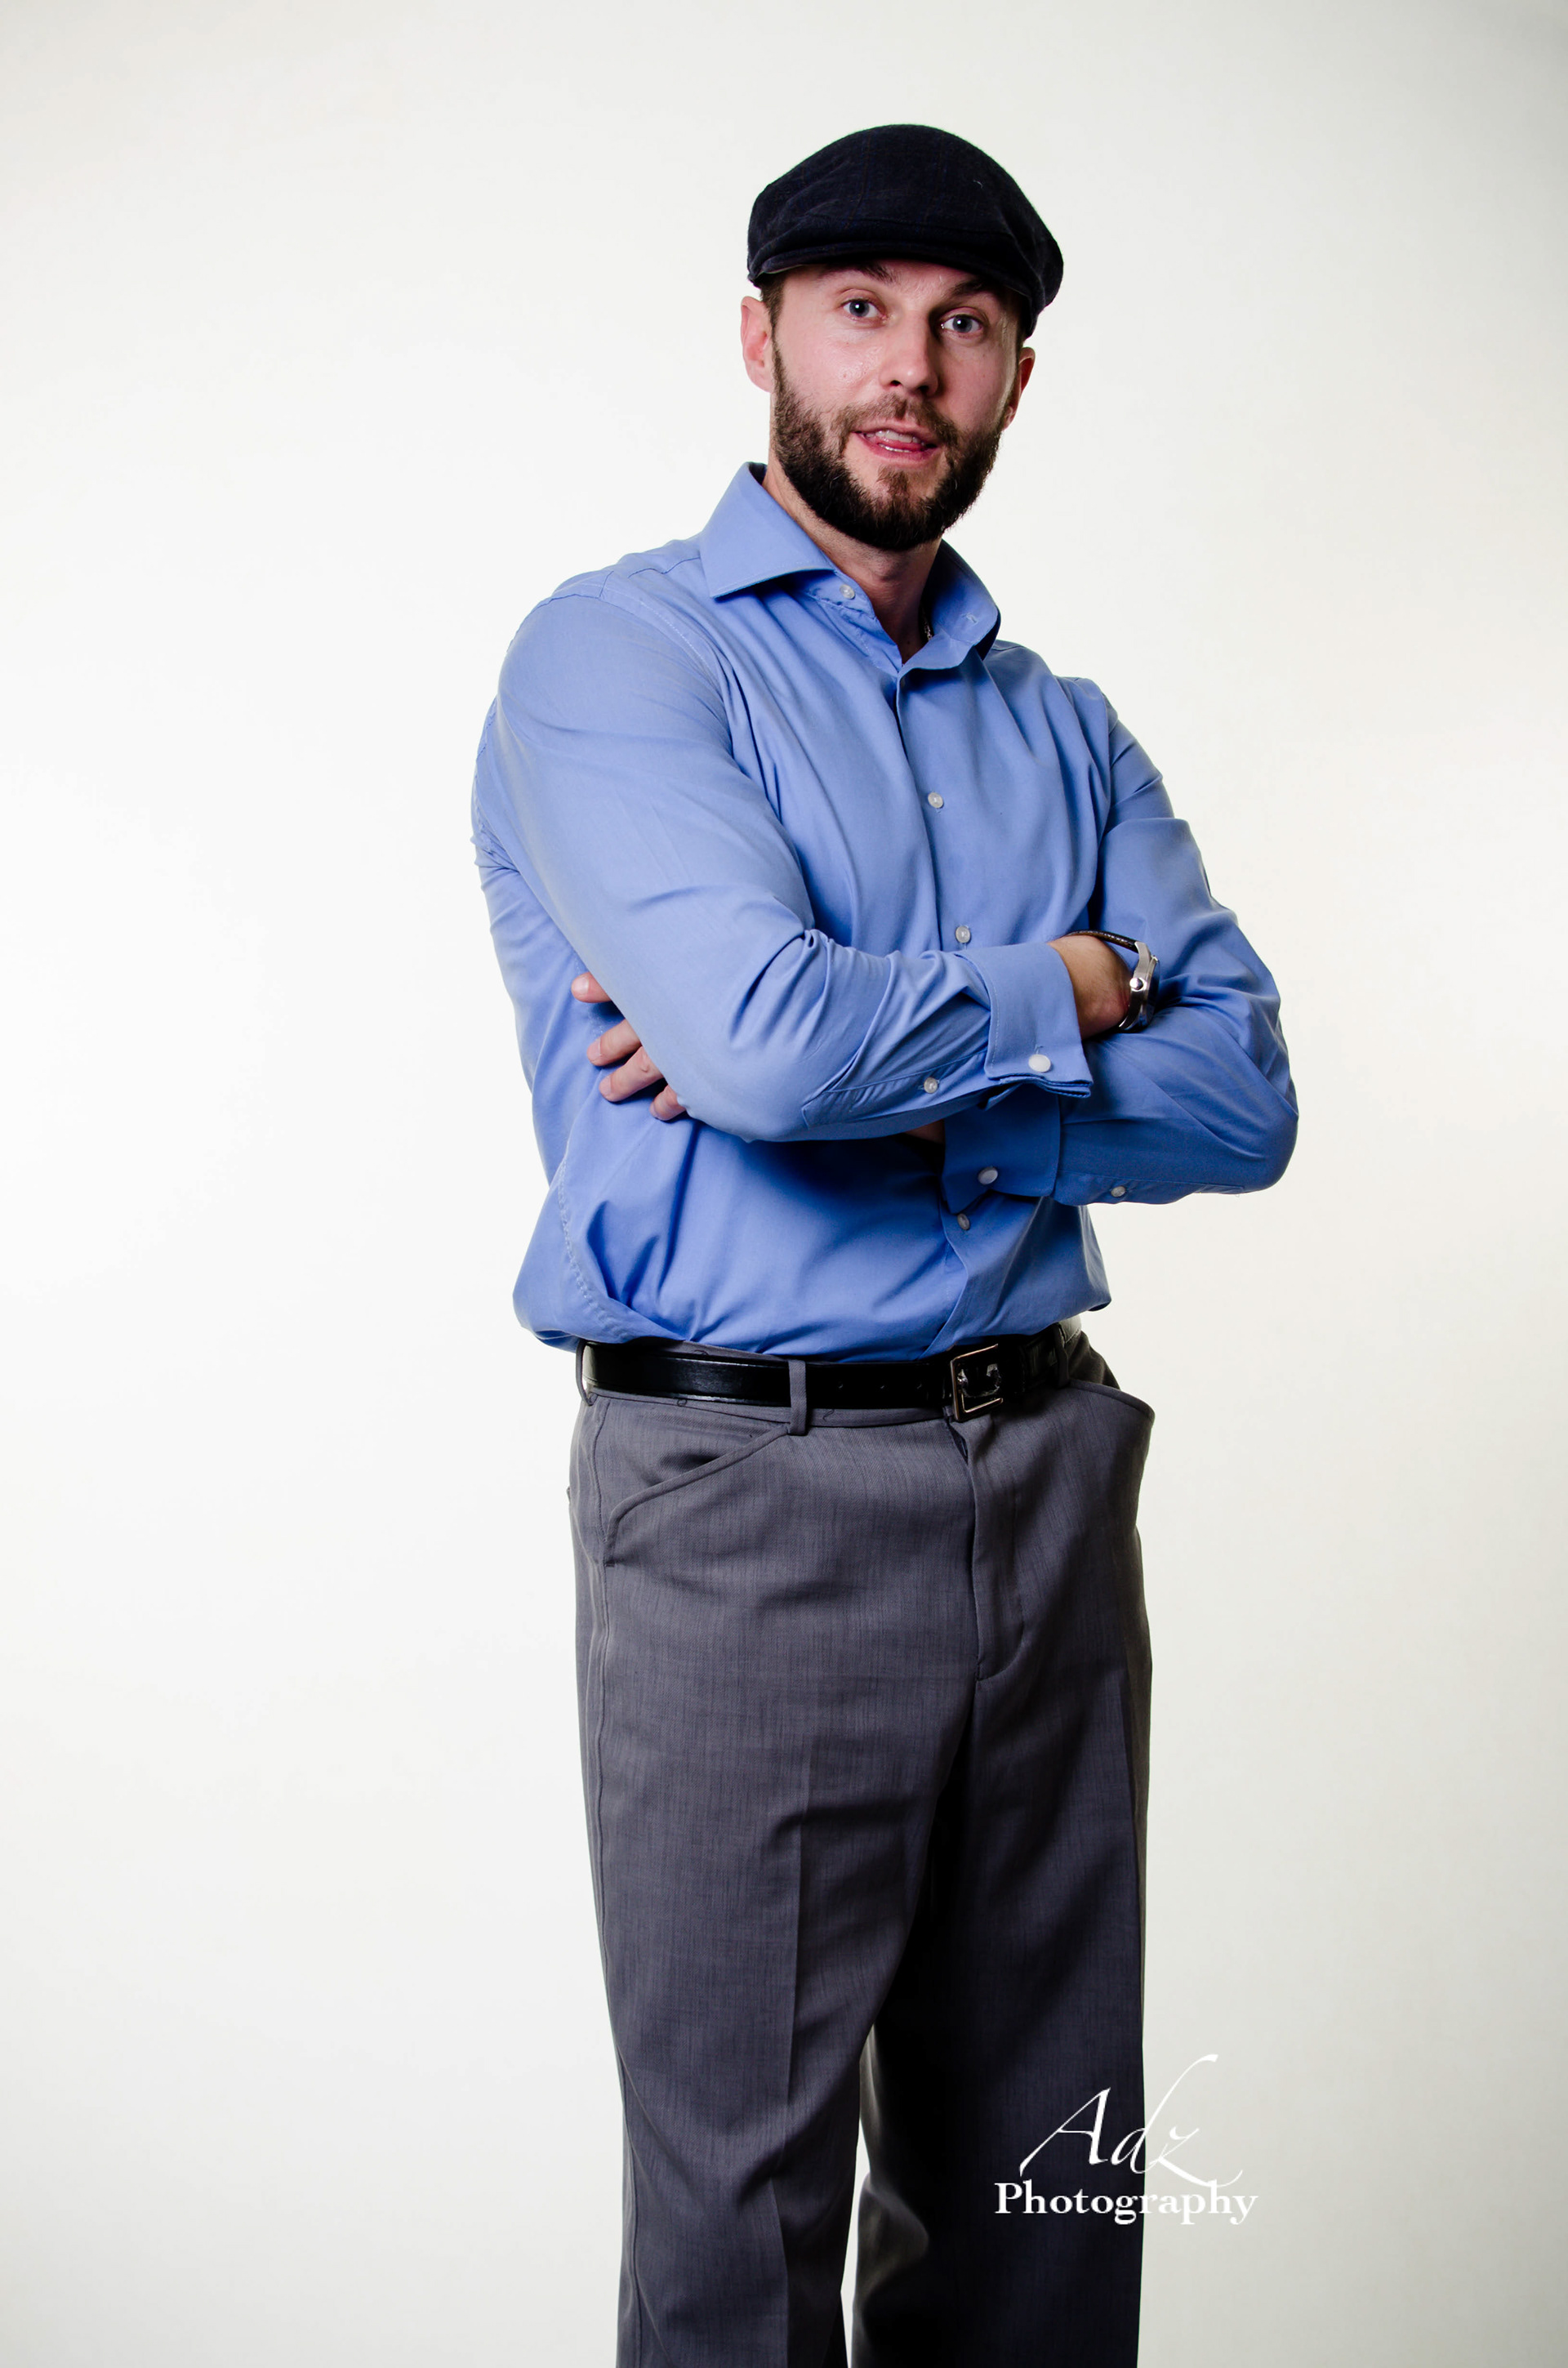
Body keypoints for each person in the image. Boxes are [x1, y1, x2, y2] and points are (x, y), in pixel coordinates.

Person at [471, 121, 1295, 2368]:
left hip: (1048, 1474)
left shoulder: (1068, 728)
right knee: (739, 2231)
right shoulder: (615, 659)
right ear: (762, 338)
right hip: (748, 1495)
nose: (909, 368)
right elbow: (757, 1042)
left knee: (1052, 2188)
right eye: (860, 312)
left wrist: (890, 1059)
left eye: (966, 323)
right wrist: (1079, 985)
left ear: (1019, 369)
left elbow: (1247, 1096)